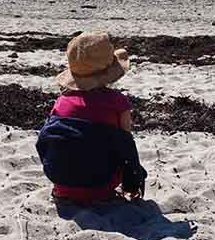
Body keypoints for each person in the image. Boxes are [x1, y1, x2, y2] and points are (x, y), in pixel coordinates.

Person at [36, 31, 147, 205]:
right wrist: (134, 183)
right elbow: (127, 147)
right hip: (101, 184)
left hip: (62, 181)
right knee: (122, 144)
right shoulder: (117, 102)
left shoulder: (61, 101)